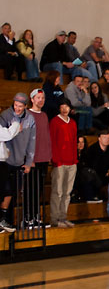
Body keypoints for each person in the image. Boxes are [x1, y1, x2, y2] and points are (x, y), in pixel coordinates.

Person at [0, 92, 36, 229]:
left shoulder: (30, 119)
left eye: (20, 106)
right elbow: (5, 136)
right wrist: (15, 126)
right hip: (5, 161)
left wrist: (28, 161)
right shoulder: (5, 116)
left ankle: (7, 221)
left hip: (19, 161)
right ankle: (2, 220)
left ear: (26, 106)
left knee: (13, 193)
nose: (17, 108)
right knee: (5, 191)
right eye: (15, 105)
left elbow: (32, 141)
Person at [49, 101, 78, 228]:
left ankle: (63, 216)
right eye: (62, 106)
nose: (64, 109)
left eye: (66, 106)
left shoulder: (72, 122)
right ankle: (55, 218)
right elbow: (52, 141)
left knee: (67, 192)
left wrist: (75, 159)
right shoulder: (55, 122)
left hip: (71, 162)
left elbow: (74, 141)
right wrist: (56, 160)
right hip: (59, 161)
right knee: (58, 191)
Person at [27, 88, 52, 227]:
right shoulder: (27, 115)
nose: (41, 100)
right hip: (32, 160)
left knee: (39, 190)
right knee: (31, 189)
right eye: (38, 98)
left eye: (42, 98)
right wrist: (28, 159)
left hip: (43, 158)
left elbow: (46, 136)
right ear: (32, 99)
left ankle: (36, 217)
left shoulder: (44, 115)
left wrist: (48, 154)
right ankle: (28, 218)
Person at [84, 131, 109, 200]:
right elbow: (90, 167)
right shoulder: (92, 149)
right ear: (99, 138)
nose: (107, 140)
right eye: (105, 137)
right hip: (93, 176)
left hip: (105, 176)